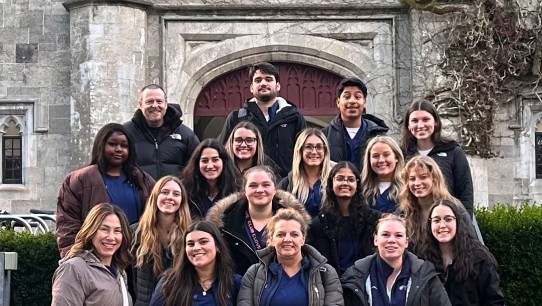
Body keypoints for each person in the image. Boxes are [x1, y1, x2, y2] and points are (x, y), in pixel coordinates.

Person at [56, 123, 155, 257]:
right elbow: (67, 225)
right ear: (101, 146)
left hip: (135, 258)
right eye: (113, 144)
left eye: (124, 146)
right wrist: (74, 257)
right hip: (94, 258)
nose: (119, 149)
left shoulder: (144, 181)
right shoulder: (79, 180)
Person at [206, 165, 311, 275]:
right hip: (239, 287)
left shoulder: (294, 223)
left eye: (266, 185)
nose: (260, 190)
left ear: (275, 189)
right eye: (253, 185)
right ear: (244, 191)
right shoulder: (225, 223)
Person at [237, 208, 344, 306]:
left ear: (303, 239)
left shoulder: (326, 273)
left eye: (294, 234)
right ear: (271, 239)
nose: (287, 239)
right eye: (281, 235)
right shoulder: (254, 274)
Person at [217, 62, 307, 177]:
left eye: (268, 79)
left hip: (285, 186)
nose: (263, 83)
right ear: (251, 87)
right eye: (258, 80)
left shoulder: (294, 117)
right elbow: (221, 152)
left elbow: (304, 153)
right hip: (244, 185)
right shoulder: (236, 118)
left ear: (278, 86)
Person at [341, 214, 451, 306]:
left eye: (398, 235)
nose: (391, 240)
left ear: (406, 242)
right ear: (376, 240)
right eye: (385, 234)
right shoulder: (355, 275)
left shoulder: (425, 274)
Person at [421, 200, 505, 306]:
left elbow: (494, 301)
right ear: (430, 224)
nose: (442, 225)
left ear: (458, 222)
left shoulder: (479, 259)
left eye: (448, 219)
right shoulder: (423, 259)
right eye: (436, 220)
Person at [401, 99, 474, 218]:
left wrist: (463, 223)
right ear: (408, 126)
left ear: (435, 122)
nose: (420, 125)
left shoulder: (453, 151)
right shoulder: (402, 155)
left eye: (426, 119)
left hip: (444, 223)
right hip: (413, 222)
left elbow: (465, 193)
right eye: (414, 121)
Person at [52, 203, 133, 306]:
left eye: (117, 231)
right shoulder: (73, 269)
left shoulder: (119, 271)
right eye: (104, 229)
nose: (111, 237)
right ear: (91, 231)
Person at [308, 161, 381, 275]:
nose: (345, 183)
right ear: (331, 184)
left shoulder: (373, 220)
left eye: (351, 180)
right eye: (340, 179)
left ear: (357, 186)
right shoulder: (319, 224)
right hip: (333, 283)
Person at [131, 176, 192, 306]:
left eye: (176, 194)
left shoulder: (189, 235)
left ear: (182, 201)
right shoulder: (136, 232)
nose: (170, 197)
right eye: (164, 192)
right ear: (155, 197)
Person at [149, 221, 242, 306]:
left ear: (217, 246)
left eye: (203, 242)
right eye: (190, 244)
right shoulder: (169, 282)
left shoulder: (235, 284)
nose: (196, 248)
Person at [124, 84, 200, 180]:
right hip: (138, 194)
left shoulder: (186, 135)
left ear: (166, 104)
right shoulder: (126, 133)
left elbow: (197, 170)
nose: (155, 106)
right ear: (140, 104)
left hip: (173, 194)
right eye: (149, 101)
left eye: (159, 101)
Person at [398, 156, 475, 250]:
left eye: (423, 177)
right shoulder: (405, 211)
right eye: (412, 179)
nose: (417, 183)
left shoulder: (454, 207)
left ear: (435, 179)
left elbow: (471, 243)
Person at [322, 77, 388, 171]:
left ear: (364, 102)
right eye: (347, 96)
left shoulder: (379, 136)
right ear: (338, 102)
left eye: (357, 97)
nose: (352, 101)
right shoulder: (324, 137)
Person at [181, 139, 242, 219]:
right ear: (197, 163)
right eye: (204, 161)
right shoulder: (185, 191)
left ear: (224, 162)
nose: (210, 166)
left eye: (215, 160)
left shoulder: (237, 191)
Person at [278, 128, 332, 217]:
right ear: (300, 150)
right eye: (308, 147)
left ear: (325, 151)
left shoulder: (334, 181)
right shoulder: (287, 184)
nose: (314, 152)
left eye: (319, 147)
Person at [361, 136, 405, 213]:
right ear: (369, 160)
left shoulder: (407, 188)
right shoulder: (360, 188)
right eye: (375, 156)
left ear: (396, 157)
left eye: (386, 155)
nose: (381, 160)